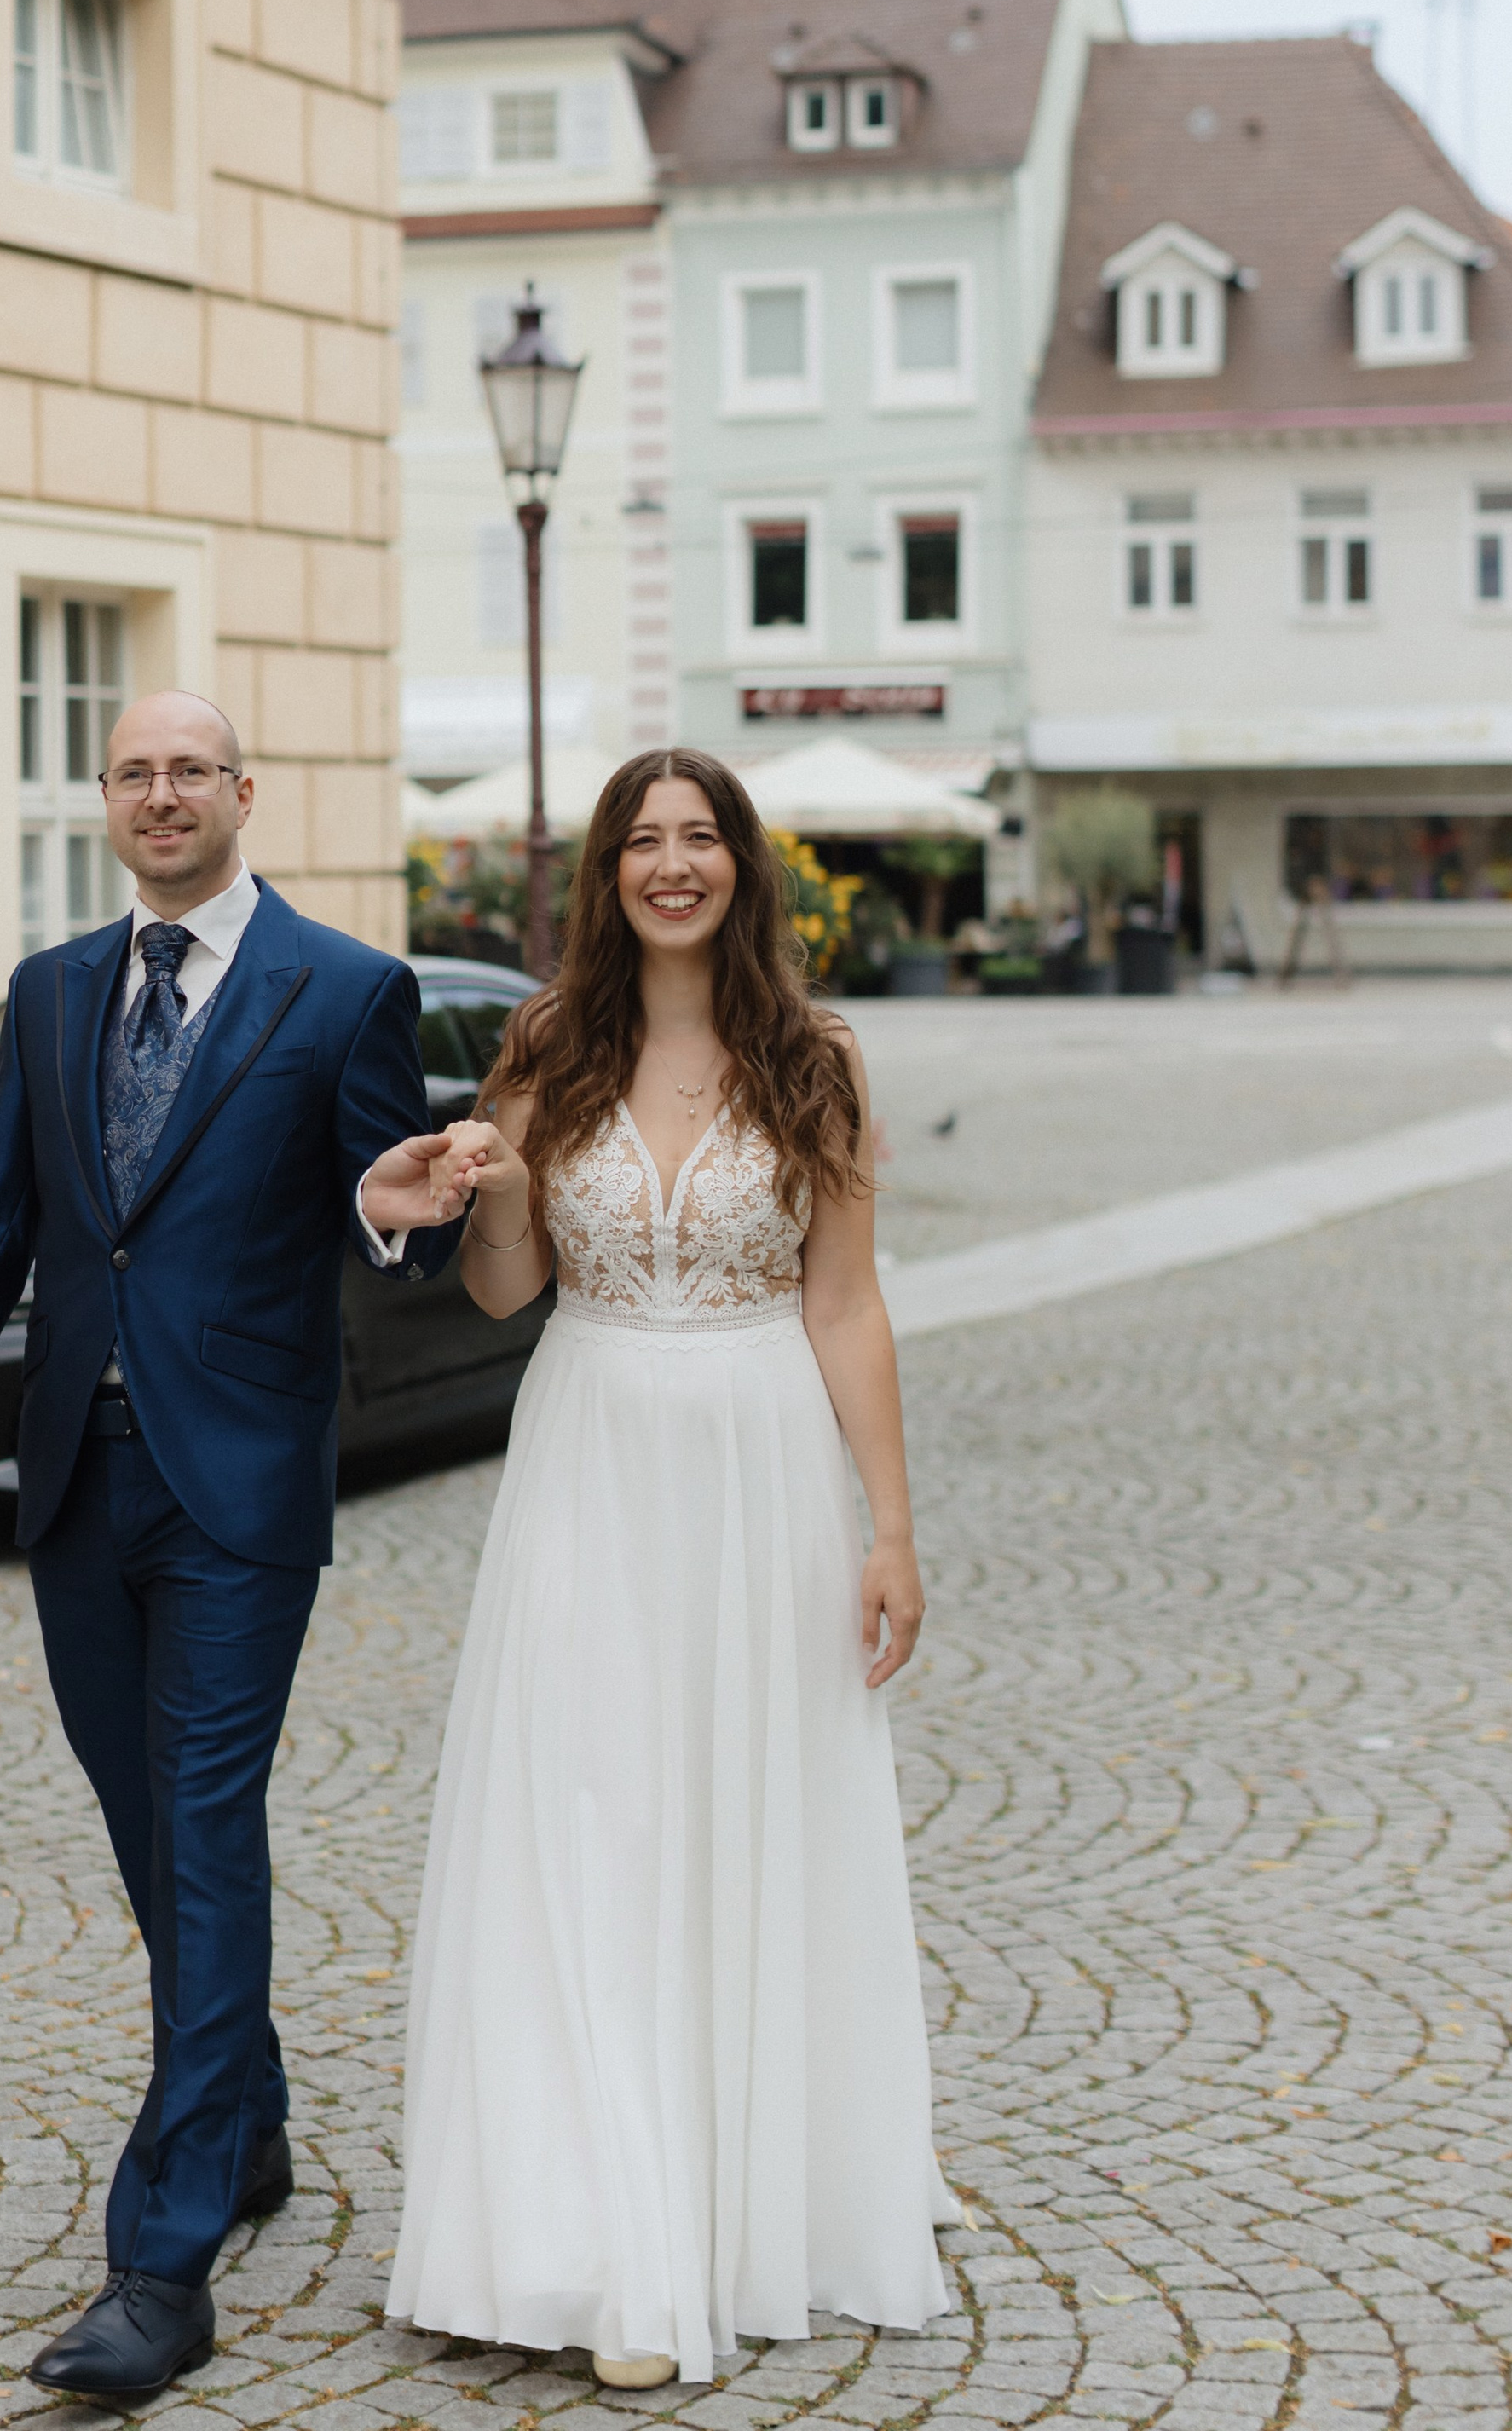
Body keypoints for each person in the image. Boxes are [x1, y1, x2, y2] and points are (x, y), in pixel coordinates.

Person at [0, 692, 465, 2406]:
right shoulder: (52, 991)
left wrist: (396, 1206)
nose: (160, 793)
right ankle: (249, 2115)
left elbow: (385, 1203)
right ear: (108, 802)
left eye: (189, 767)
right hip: (73, 1482)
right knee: (145, 1828)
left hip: (239, 1486)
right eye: (131, 771)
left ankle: (161, 2253)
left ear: (243, 794)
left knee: (202, 1826)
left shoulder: (343, 989)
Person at [390, 748, 955, 2388]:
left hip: (757, 1455)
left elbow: (845, 1301)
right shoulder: (548, 1044)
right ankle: (590, 2225)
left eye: (701, 836)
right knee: (587, 1810)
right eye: (644, 840)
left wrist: (892, 1528)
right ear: (607, 873)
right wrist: (477, 1193)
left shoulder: (818, 1056)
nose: (674, 864)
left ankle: (768, 2173)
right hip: (589, 1449)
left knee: (742, 1804)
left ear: (743, 864)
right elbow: (505, 1292)